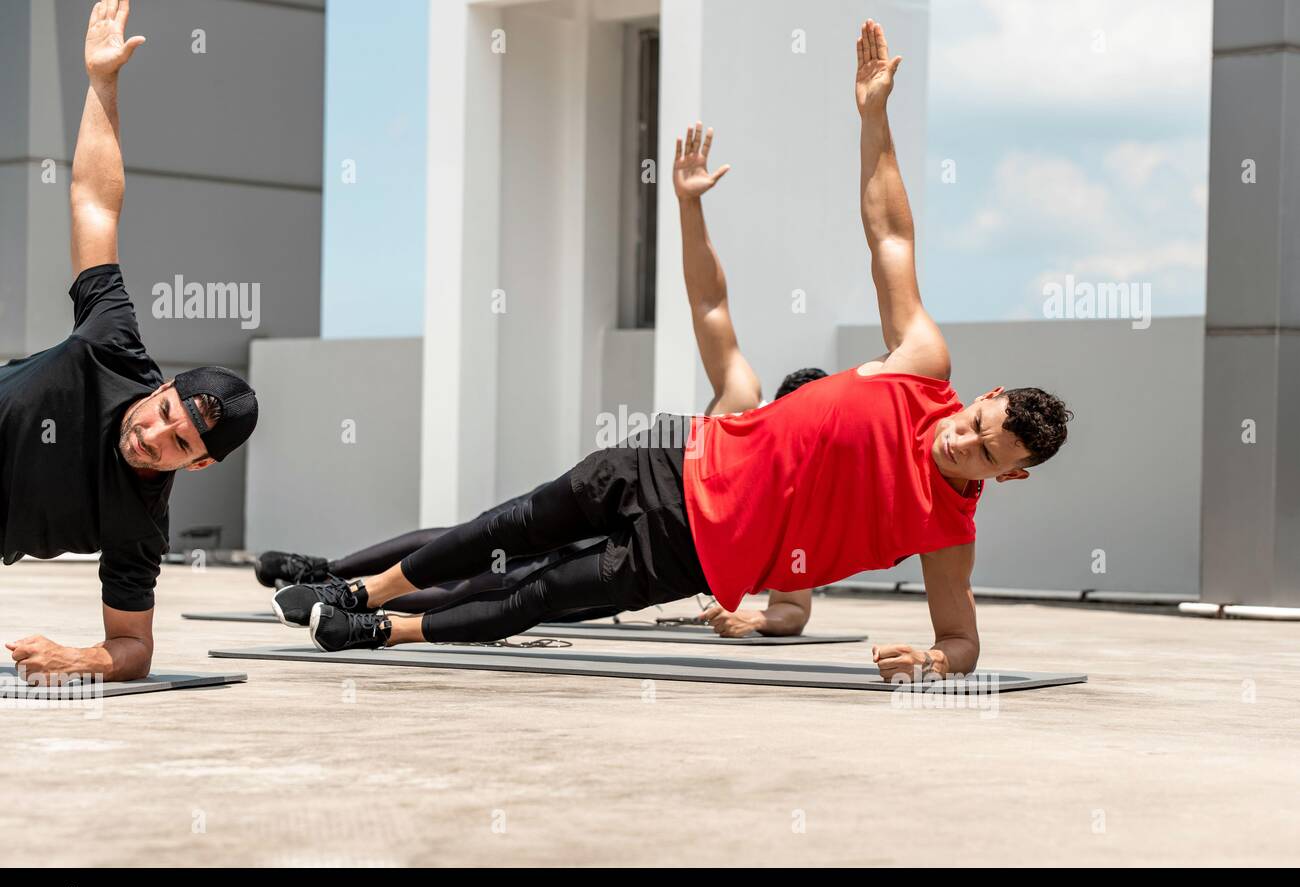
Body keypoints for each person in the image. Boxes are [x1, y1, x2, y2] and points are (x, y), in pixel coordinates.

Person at [277, 19, 1070, 684]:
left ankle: (377, 633)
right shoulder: (922, 362)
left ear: (1010, 476)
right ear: (983, 394)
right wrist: (872, 116)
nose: (960, 439)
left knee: (538, 596)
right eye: (975, 421)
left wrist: (933, 659)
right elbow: (890, 234)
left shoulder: (948, 533)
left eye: (981, 453)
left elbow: (964, 640)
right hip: (670, 459)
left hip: (689, 550)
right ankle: (362, 588)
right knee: (510, 521)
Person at [263, 125, 825, 638]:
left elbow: (793, 609)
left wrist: (753, 617)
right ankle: (329, 575)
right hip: (623, 500)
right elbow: (710, 305)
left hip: (656, 558)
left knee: (500, 588)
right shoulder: (740, 406)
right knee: (480, 536)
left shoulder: (806, 504)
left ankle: (367, 618)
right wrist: (688, 206)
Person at [1, 0, 259, 685]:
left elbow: (134, 649)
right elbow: (94, 200)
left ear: (198, 466)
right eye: (165, 412)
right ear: (163, 387)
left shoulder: (139, 525)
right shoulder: (115, 343)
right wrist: (103, 84)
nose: (153, 434)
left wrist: (77, 657)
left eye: (179, 444)